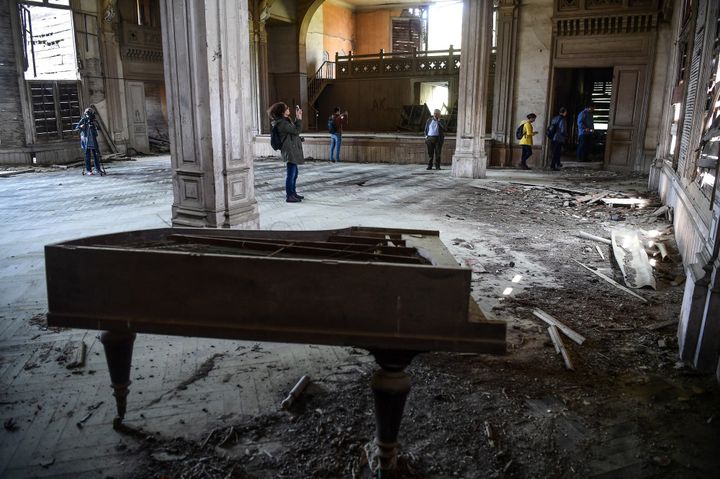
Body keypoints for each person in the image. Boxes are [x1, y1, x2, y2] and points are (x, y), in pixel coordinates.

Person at [268, 102, 305, 203]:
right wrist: (299, 118)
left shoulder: (285, 121)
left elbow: (293, 132)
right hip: (289, 151)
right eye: (287, 108)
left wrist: (297, 118)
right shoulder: (282, 123)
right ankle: (289, 195)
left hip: (291, 149)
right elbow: (296, 130)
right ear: (282, 112)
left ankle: (293, 193)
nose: (289, 109)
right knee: (291, 174)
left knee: (295, 173)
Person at [75, 107, 103, 175]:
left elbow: (98, 128)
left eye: (90, 112)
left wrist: (95, 123)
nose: (89, 113)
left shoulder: (93, 120)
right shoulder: (83, 119)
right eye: (88, 112)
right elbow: (76, 128)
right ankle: (88, 170)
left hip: (92, 139)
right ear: (85, 113)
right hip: (86, 139)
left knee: (96, 155)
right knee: (88, 155)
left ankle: (98, 169)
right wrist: (81, 126)